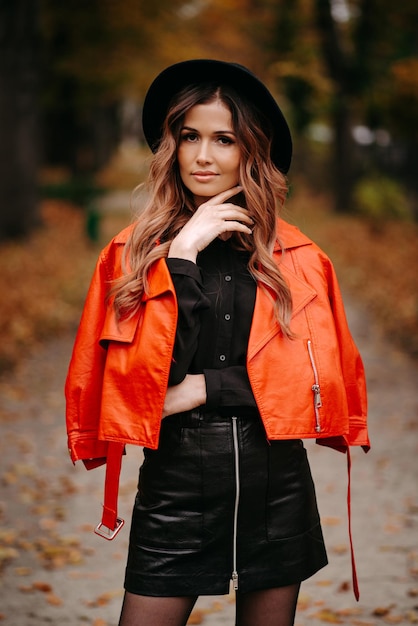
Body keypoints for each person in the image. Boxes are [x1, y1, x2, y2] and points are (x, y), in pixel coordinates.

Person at [65, 59, 370, 626]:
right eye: (190, 137)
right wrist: (182, 256)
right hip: (176, 487)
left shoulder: (300, 261)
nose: (203, 155)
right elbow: (140, 388)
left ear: (251, 150)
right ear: (172, 147)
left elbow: (313, 391)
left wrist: (207, 387)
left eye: (223, 139)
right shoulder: (130, 255)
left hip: (277, 486)